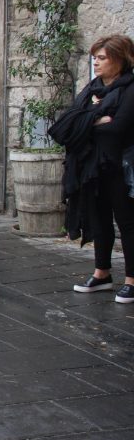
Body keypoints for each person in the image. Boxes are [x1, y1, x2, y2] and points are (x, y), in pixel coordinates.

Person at [50, 35, 134, 304]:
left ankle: (132, 279)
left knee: (127, 222)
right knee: (98, 220)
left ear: (121, 59)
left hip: (119, 166)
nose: (96, 63)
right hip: (91, 167)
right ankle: (102, 273)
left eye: (102, 58)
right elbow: (67, 126)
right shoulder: (92, 88)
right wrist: (97, 119)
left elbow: (118, 129)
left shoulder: (130, 89)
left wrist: (87, 122)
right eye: (94, 57)